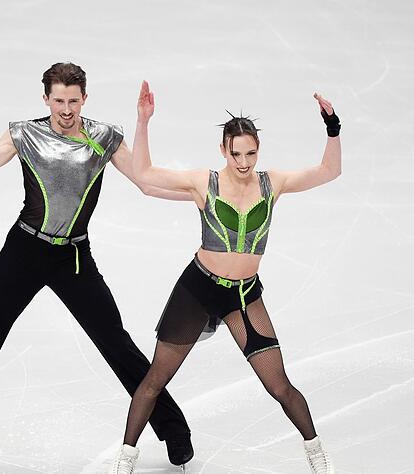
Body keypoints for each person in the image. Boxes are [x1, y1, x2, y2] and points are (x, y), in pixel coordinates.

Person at [0, 63, 195, 471]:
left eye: (74, 100)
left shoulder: (104, 137)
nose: (66, 109)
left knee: (115, 343)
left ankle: (174, 430)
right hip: (23, 252)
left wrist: (197, 193)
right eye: (59, 100)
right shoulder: (24, 134)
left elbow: (147, 182)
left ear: (85, 98)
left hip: (74, 257)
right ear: (45, 98)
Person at [108, 81, 342, 474]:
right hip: (198, 290)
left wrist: (332, 125)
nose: (244, 161)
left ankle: (317, 454)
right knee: (155, 379)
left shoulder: (273, 183)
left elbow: (329, 171)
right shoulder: (205, 182)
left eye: (250, 153)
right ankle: (125, 460)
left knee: (278, 384)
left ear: (258, 150)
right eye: (236, 153)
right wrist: (143, 120)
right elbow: (144, 173)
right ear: (223, 150)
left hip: (245, 296)